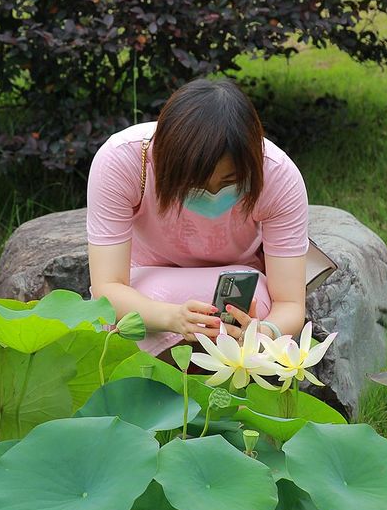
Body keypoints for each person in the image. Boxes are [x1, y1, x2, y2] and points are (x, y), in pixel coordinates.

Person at [86, 78, 308, 356]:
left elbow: (289, 304)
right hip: (143, 290)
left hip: (239, 295)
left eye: (231, 181)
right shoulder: (123, 161)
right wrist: (173, 318)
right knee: (132, 315)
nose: (214, 193)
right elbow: (107, 288)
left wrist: (260, 333)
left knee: (258, 300)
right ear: (166, 161)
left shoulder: (277, 176)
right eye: (196, 183)